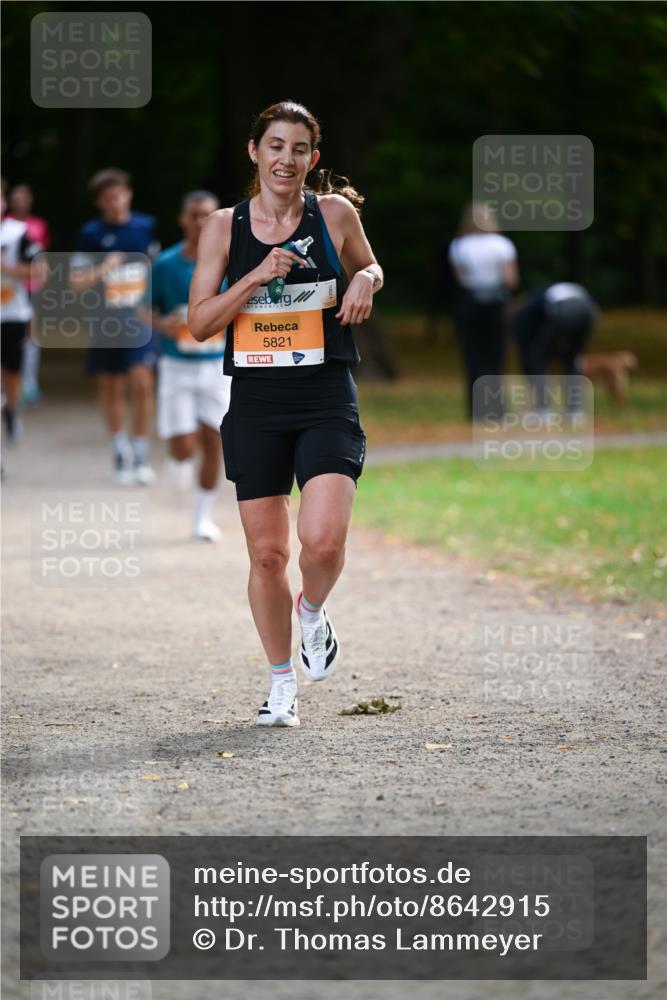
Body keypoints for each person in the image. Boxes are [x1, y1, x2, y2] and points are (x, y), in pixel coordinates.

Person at [189, 100, 382, 728]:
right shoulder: (224, 226)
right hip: (257, 403)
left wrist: (366, 280)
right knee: (267, 556)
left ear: (312, 159)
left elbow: (371, 264)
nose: (286, 159)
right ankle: (280, 684)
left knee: (321, 542)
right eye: (275, 146)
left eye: (298, 149)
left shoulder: (334, 214)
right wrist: (255, 278)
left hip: (325, 395)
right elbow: (198, 324)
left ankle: (314, 610)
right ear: (255, 152)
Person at [148, 190, 231, 541]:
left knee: (215, 439)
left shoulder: (230, 262)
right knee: (184, 444)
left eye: (208, 215)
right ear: (183, 219)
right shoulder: (166, 264)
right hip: (177, 364)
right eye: (195, 215)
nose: (201, 222)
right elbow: (144, 308)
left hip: (216, 367)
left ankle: (202, 518)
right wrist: (163, 324)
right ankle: (179, 457)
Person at [71, 168, 159, 485]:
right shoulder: (91, 234)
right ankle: (119, 447)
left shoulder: (146, 226)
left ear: (129, 194)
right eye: (109, 197)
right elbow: (77, 282)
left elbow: (155, 269)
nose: (116, 201)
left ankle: (140, 449)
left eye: (120, 194)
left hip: (138, 320)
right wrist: (104, 268)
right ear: (100, 202)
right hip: (105, 320)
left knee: (141, 383)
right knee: (110, 386)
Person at [448, 202, 519, 420]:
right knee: (495, 357)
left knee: (472, 357)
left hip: (470, 305)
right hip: (496, 305)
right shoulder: (502, 244)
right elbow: (510, 279)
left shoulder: (459, 245)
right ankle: (498, 409)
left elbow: (460, 279)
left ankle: (475, 410)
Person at [512, 282, 599, 413]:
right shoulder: (553, 291)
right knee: (572, 358)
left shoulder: (531, 303)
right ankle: (575, 410)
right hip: (589, 312)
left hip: (563, 310)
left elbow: (526, 336)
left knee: (537, 356)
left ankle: (542, 408)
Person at [1, 180, 44, 443]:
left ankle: (11, 409)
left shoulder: (17, 233)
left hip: (11, 313)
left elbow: (40, 270)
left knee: (11, 371)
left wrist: (8, 270)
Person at [6, 183, 51, 405]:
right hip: (8, 290)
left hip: (31, 287)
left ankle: (29, 383)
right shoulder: (5, 226)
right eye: (16, 197)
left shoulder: (38, 225)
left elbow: (40, 257)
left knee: (31, 335)